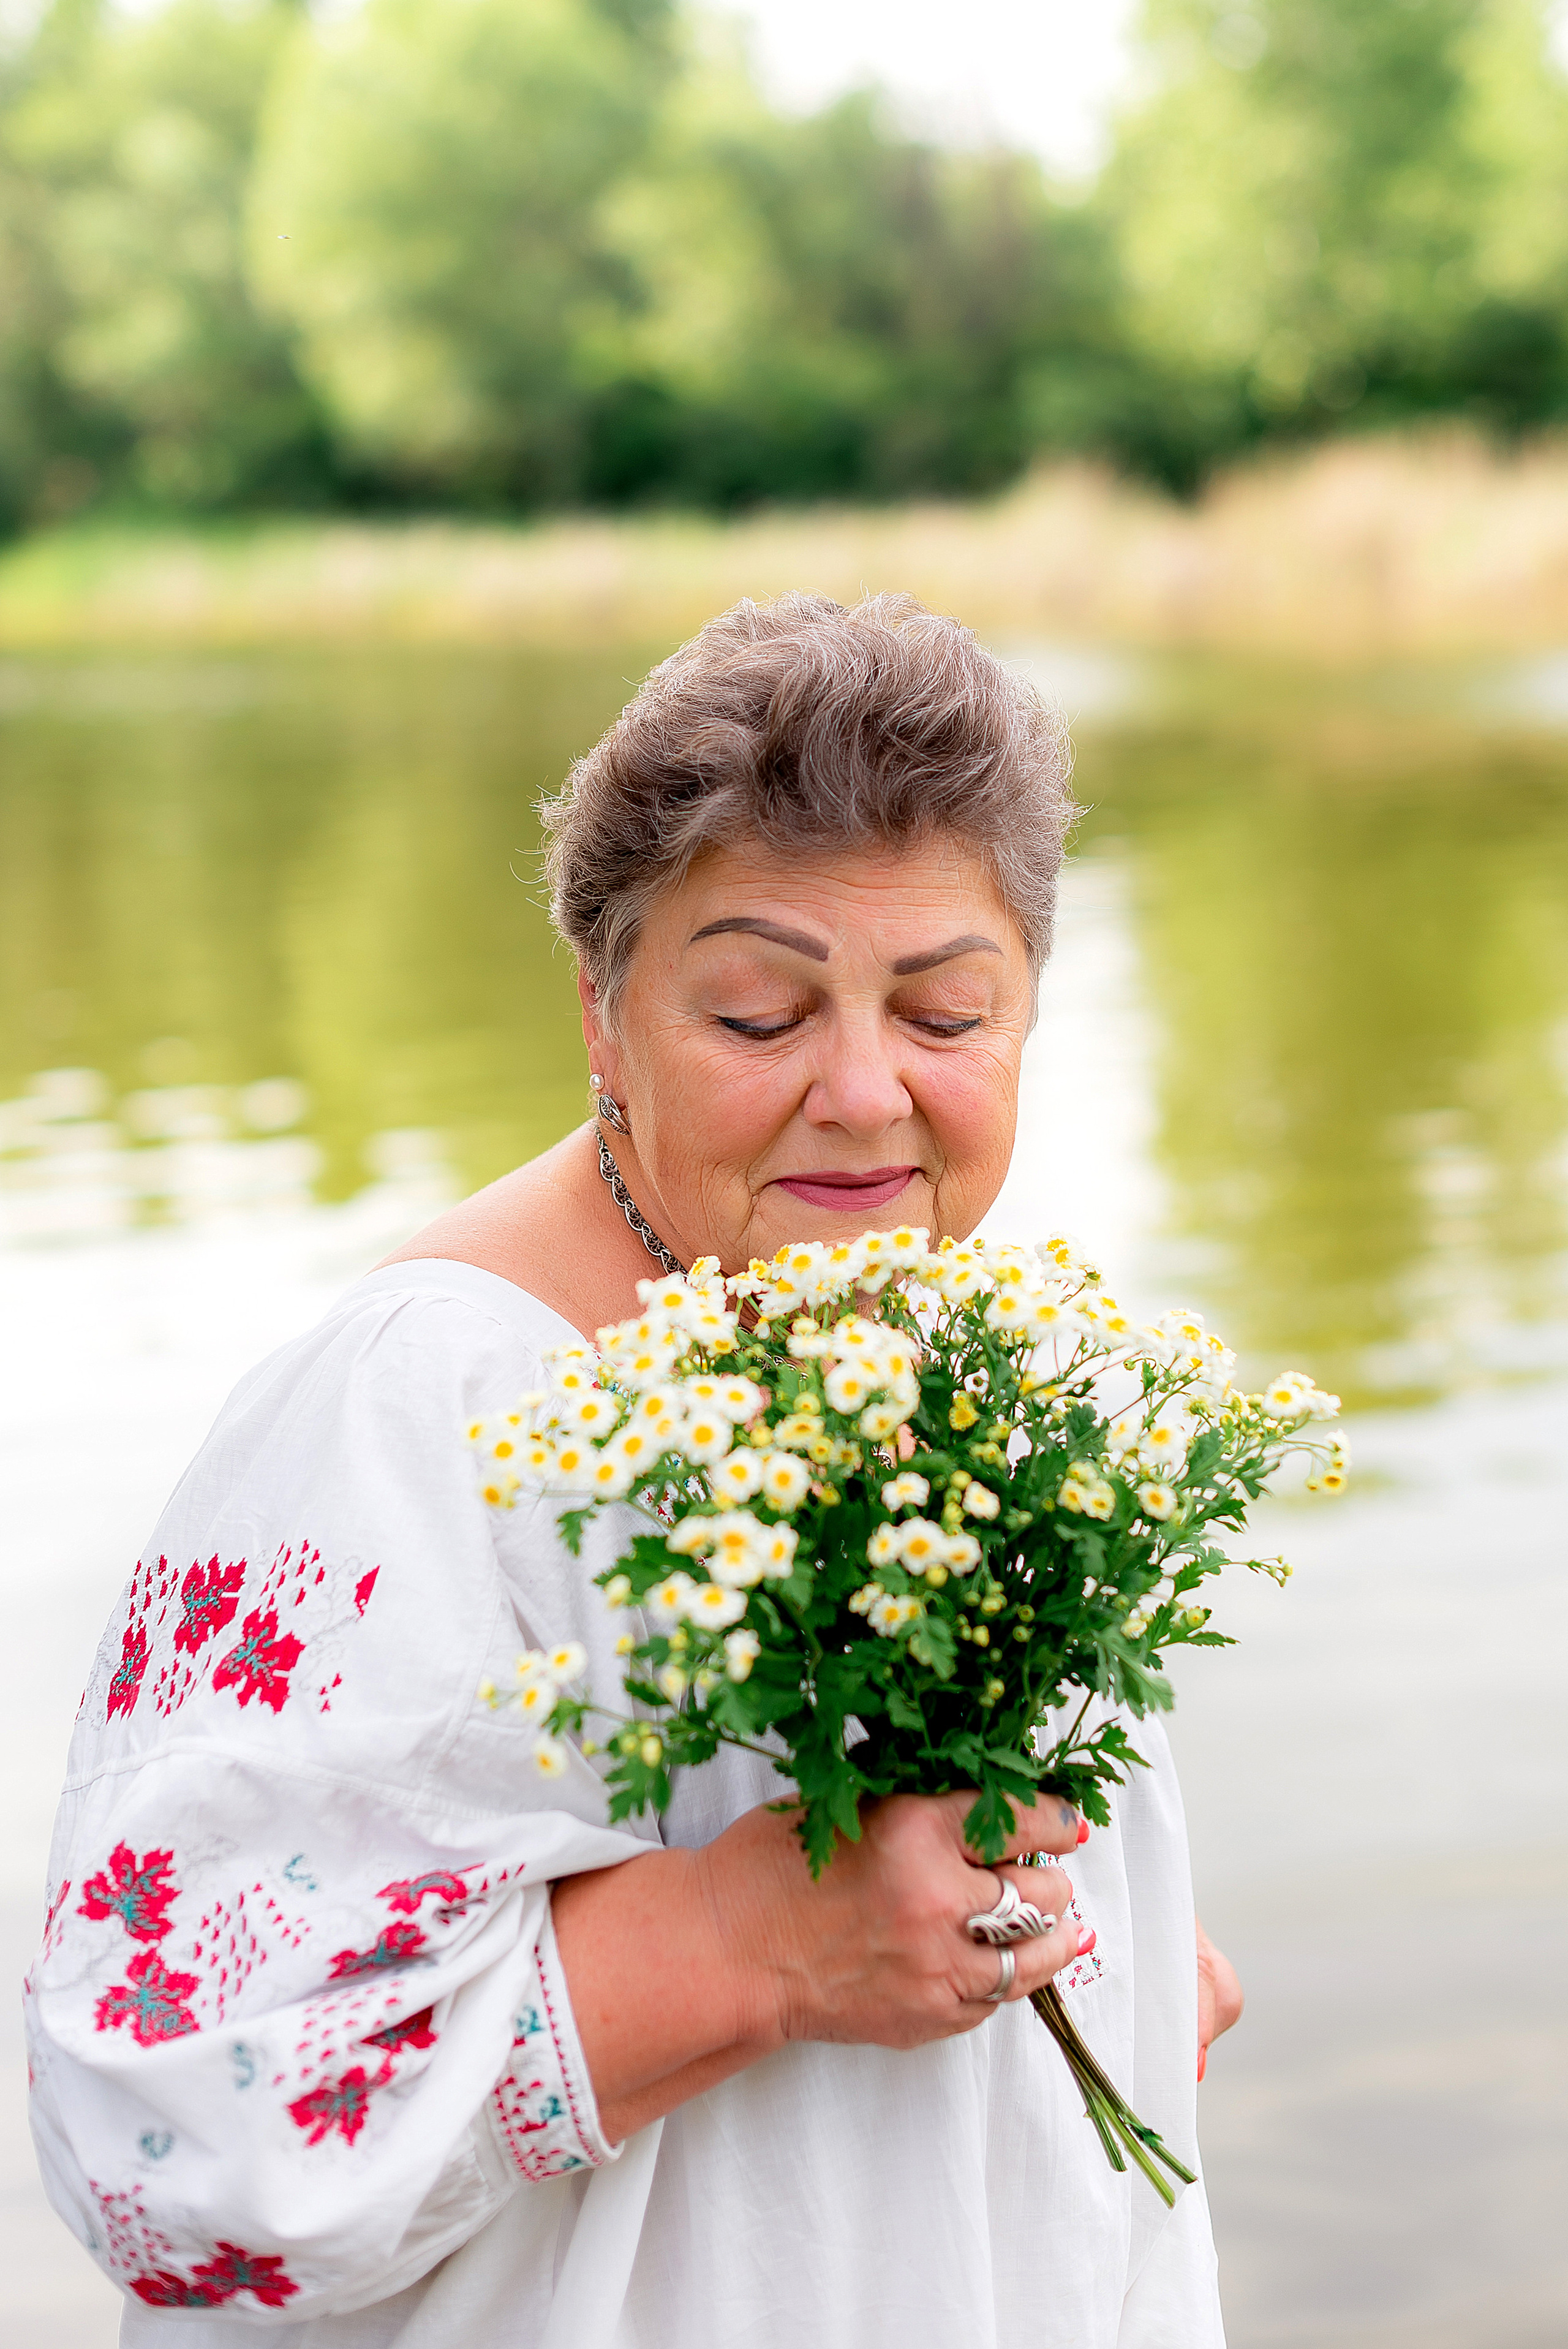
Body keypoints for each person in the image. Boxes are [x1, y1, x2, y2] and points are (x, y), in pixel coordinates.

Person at [26, 594, 1242, 2347]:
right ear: (604, 1017)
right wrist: (746, 1942)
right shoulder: (417, 1415)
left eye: (947, 1011)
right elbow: (161, 2138)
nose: (863, 1092)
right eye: (757, 1012)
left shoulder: (902, 1348)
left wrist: (1122, 1970)